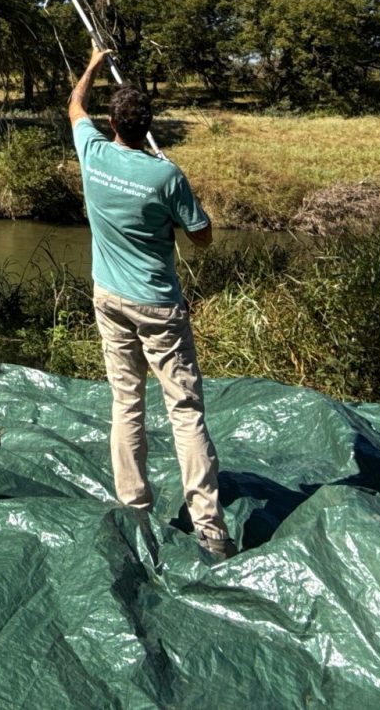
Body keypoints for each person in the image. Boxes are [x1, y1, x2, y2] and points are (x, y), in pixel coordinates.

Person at [68, 46, 235, 562]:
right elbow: (202, 237)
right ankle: (209, 529)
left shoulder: (93, 152)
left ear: (113, 122)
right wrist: (177, 194)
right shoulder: (166, 176)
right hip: (158, 305)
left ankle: (135, 506)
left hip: (109, 298)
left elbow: (75, 106)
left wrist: (94, 63)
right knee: (184, 410)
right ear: (148, 125)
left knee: (126, 401)